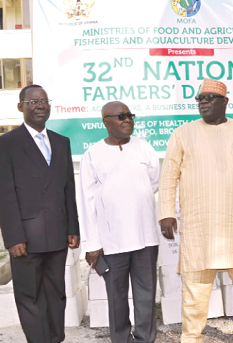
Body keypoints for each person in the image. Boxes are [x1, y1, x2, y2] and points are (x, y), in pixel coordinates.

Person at [159, 78, 233, 343]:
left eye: (210, 98)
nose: (203, 102)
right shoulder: (183, 133)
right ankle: (191, 336)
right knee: (196, 285)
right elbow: (168, 178)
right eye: (200, 98)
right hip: (200, 223)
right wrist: (166, 213)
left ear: (225, 102)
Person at [0, 85, 80, 343]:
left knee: (56, 294)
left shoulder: (61, 142)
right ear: (21, 107)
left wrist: (72, 227)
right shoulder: (7, 143)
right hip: (25, 238)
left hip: (57, 234)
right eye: (33, 102)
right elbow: (4, 194)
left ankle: (55, 338)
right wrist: (12, 237)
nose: (40, 105)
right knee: (29, 296)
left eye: (44, 101)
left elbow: (68, 189)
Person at [78, 101, 160, 343]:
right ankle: (121, 339)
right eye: (121, 116)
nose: (127, 120)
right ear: (105, 122)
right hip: (112, 240)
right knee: (117, 297)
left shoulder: (144, 148)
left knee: (146, 295)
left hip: (146, 238)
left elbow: (153, 183)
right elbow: (86, 201)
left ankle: (145, 339)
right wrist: (92, 244)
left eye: (130, 116)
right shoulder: (92, 155)